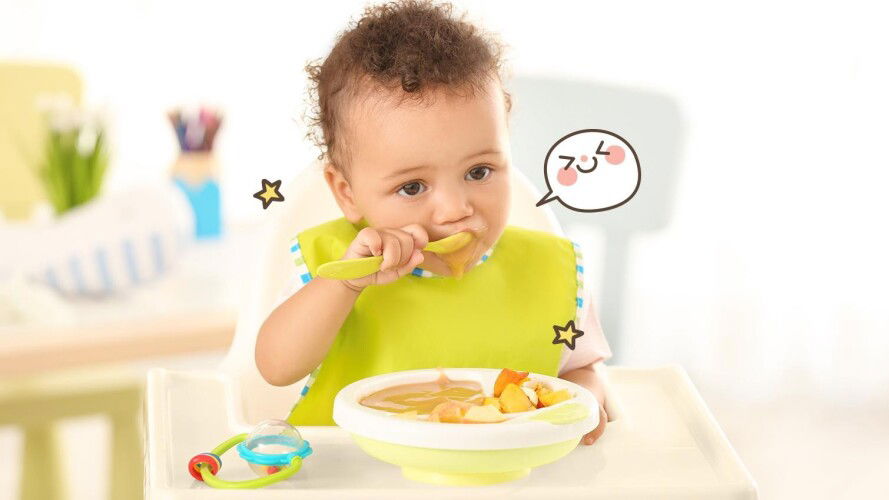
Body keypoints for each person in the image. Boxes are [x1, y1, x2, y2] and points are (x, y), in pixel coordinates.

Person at [256, 0, 612, 445]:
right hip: (356, 473)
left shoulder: (550, 272)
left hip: (506, 475)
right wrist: (344, 285)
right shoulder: (336, 268)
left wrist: (585, 402)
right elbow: (275, 367)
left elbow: (582, 370)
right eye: (412, 187)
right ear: (347, 193)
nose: (454, 209)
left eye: (479, 172)